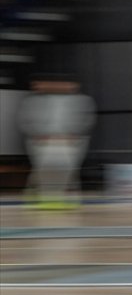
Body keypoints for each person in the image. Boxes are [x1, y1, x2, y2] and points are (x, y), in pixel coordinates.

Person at [19, 75, 95, 209]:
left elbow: (86, 121)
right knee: (44, 168)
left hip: (70, 141)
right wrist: (39, 135)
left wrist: (72, 135)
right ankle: (40, 195)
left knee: (68, 169)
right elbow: (25, 121)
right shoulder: (31, 101)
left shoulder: (83, 100)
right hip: (42, 141)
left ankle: (66, 196)